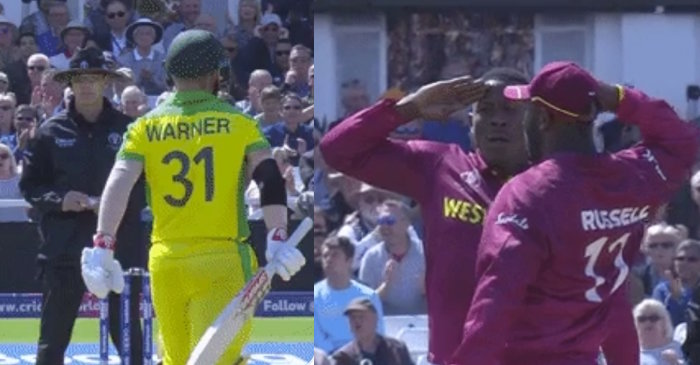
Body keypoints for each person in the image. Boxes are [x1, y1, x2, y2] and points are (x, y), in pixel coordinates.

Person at [449, 61, 700, 365]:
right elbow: (683, 140)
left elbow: (494, 306)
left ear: (541, 118)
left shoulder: (528, 193)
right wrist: (619, 98)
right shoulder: (635, 177)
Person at [78, 29, 305, 365]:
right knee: (220, 360)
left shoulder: (145, 126)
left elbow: (119, 183)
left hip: (166, 261)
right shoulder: (238, 121)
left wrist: (103, 246)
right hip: (222, 258)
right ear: (216, 73)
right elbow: (269, 176)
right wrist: (277, 234)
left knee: (177, 360)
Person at [320, 68, 530, 364]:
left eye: (511, 110)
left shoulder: (554, 182)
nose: (497, 119)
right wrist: (411, 108)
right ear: (470, 123)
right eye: (486, 109)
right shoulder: (441, 166)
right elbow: (338, 150)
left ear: (534, 121)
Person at [19, 47, 147, 365]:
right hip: (64, 249)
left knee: (131, 344)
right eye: (80, 80)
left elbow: (147, 185)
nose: (87, 86)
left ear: (105, 82)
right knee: (52, 344)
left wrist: (115, 202)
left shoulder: (129, 130)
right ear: (70, 84)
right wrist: (60, 200)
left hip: (120, 249)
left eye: (94, 79)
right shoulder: (50, 131)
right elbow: (31, 186)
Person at [332, 297, 414, 365]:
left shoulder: (397, 349)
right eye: (353, 318)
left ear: (375, 319)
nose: (357, 322)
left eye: (361, 317)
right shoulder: (344, 356)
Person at [634, 299, 685, 365]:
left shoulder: (679, 348)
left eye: (653, 318)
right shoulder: (629, 352)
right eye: (641, 319)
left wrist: (676, 363)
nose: (647, 322)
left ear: (664, 322)